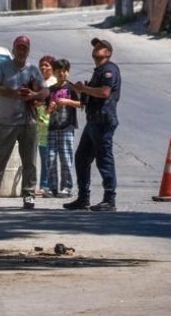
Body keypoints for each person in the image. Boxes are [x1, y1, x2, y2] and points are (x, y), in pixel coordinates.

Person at [0, 35, 47, 210]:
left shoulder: (33, 70)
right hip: (8, 122)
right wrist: (13, 93)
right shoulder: (3, 67)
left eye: (24, 48)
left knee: (29, 161)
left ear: (28, 51)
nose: (21, 51)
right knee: (0, 160)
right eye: (19, 47)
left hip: (28, 121)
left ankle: (28, 195)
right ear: (14, 49)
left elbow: (45, 91)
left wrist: (33, 95)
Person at [64, 37, 122, 212]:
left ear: (108, 52)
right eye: (95, 45)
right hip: (93, 120)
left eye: (101, 46)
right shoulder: (99, 70)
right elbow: (95, 92)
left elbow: (104, 92)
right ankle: (83, 198)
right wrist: (83, 91)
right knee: (82, 158)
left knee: (104, 159)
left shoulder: (109, 69)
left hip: (103, 121)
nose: (96, 48)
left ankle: (109, 199)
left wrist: (85, 90)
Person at [46, 57, 82, 199]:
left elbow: (81, 104)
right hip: (52, 128)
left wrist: (68, 101)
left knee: (66, 158)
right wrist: (51, 107)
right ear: (54, 72)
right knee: (50, 157)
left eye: (65, 71)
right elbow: (45, 110)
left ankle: (66, 187)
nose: (62, 74)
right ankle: (51, 187)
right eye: (59, 71)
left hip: (67, 128)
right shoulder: (50, 90)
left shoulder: (72, 88)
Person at [35, 56, 58, 196]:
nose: (43, 68)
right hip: (38, 123)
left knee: (46, 156)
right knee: (41, 155)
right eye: (41, 65)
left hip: (49, 123)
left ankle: (46, 185)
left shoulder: (54, 83)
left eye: (46, 65)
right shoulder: (39, 82)